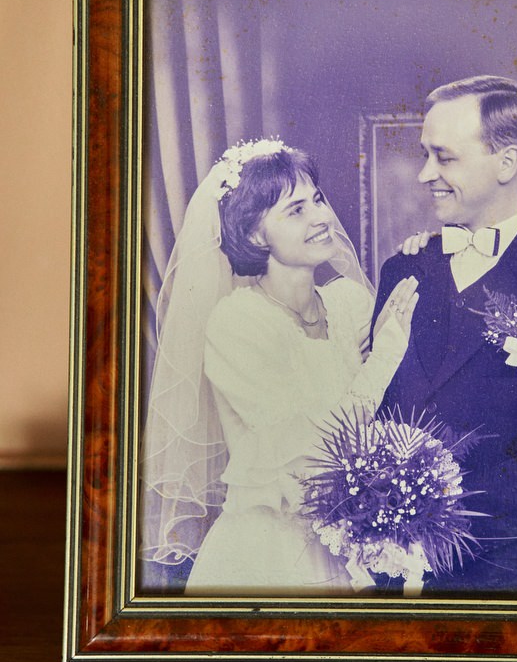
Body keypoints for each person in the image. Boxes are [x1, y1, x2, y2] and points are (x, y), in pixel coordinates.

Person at [141, 138, 418, 595]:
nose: (320, 217)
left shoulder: (348, 302)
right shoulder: (237, 322)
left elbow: (386, 416)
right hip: (265, 553)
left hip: (347, 550)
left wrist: (420, 251)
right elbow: (314, 449)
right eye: (296, 210)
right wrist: (384, 357)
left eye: (318, 199)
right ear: (255, 235)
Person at [372, 76, 517, 595]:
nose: (425, 174)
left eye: (444, 158)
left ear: (506, 163)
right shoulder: (402, 269)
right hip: (392, 574)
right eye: (425, 155)